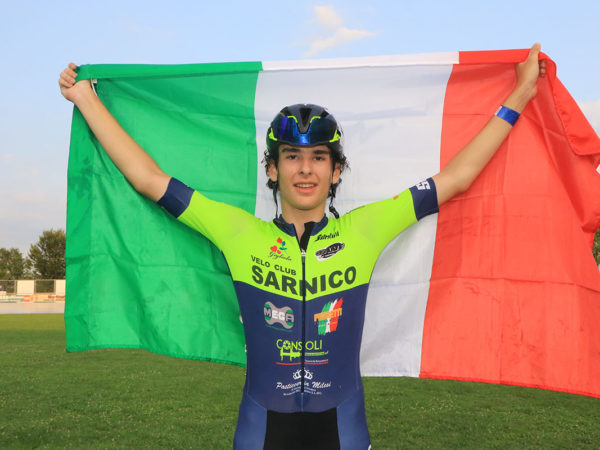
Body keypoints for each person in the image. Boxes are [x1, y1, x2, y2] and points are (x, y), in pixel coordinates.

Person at [59, 44, 546, 450]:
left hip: (343, 428)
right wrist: (86, 99)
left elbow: (457, 178)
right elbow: (149, 179)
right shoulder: (240, 232)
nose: (306, 169)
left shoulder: (365, 228)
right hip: (260, 429)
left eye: (319, 157)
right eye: (292, 156)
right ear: (273, 169)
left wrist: (521, 93)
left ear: (336, 171)